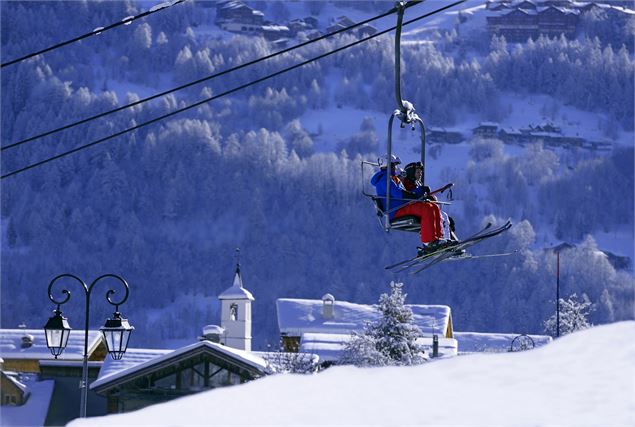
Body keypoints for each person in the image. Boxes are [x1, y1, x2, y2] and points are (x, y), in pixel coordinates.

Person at [371, 155, 450, 253]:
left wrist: (418, 193)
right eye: (394, 165)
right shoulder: (384, 179)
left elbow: (403, 192)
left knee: (433, 206)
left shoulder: (393, 178)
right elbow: (398, 193)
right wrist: (414, 195)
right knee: (426, 208)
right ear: (388, 165)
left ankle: (438, 238)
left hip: (402, 206)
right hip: (395, 210)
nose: (395, 168)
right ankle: (428, 242)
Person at [403, 161, 459, 242]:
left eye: (421, 172)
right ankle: (444, 240)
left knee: (445, 217)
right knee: (442, 218)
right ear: (411, 173)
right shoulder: (407, 184)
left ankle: (448, 240)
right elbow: (411, 194)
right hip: (415, 210)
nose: (420, 174)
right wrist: (421, 191)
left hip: (421, 208)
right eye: (418, 172)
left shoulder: (416, 183)